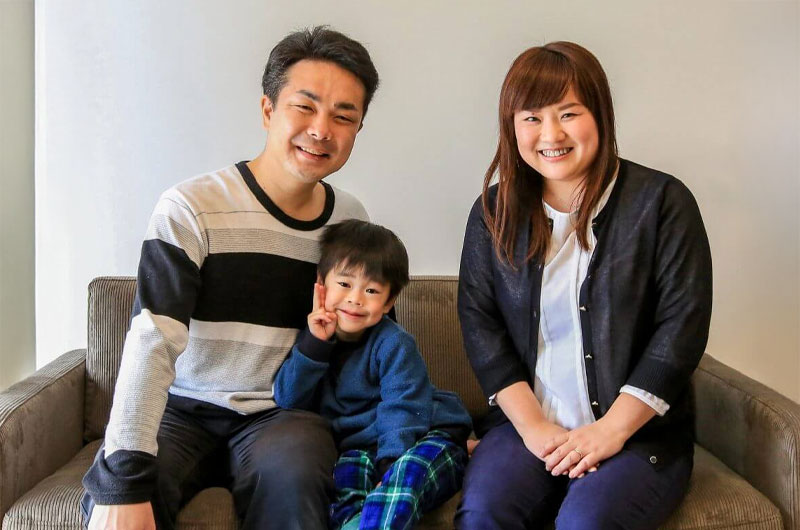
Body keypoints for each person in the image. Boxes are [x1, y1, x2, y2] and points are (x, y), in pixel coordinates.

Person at [81, 26, 379, 530]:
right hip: (181, 408)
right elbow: (153, 340)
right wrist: (124, 480)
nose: (321, 129)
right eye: (304, 107)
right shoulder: (191, 207)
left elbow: (365, 342)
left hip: (281, 414)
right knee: (121, 499)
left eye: (343, 116)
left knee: (298, 476)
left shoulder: (350, 221)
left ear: (357, 129)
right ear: (268, 109)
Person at [455, 42, 712, 529]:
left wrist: (610, 431)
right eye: (532, 118)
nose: (551, 134)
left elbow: (681, 329)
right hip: (527, 427)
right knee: (484, 513)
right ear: (512, 126)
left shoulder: (662, 203)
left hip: (636, 437)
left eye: (568, 113)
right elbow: (479, 322)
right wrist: (533, 428)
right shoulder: (492, 212)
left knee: (586, 523)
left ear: (601, 114)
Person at [273, 219, 472, 530]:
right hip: (359, 448)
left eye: (371, 290)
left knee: (406, 477)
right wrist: (315, 346)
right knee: (344, 491)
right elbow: (288, 399)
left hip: (422, 435)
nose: (355, 299)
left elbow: (403, 407)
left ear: (389, 302)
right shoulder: (311, 340)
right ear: (321, 285)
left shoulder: (394, 343)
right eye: (344, 284)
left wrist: (390, 465)